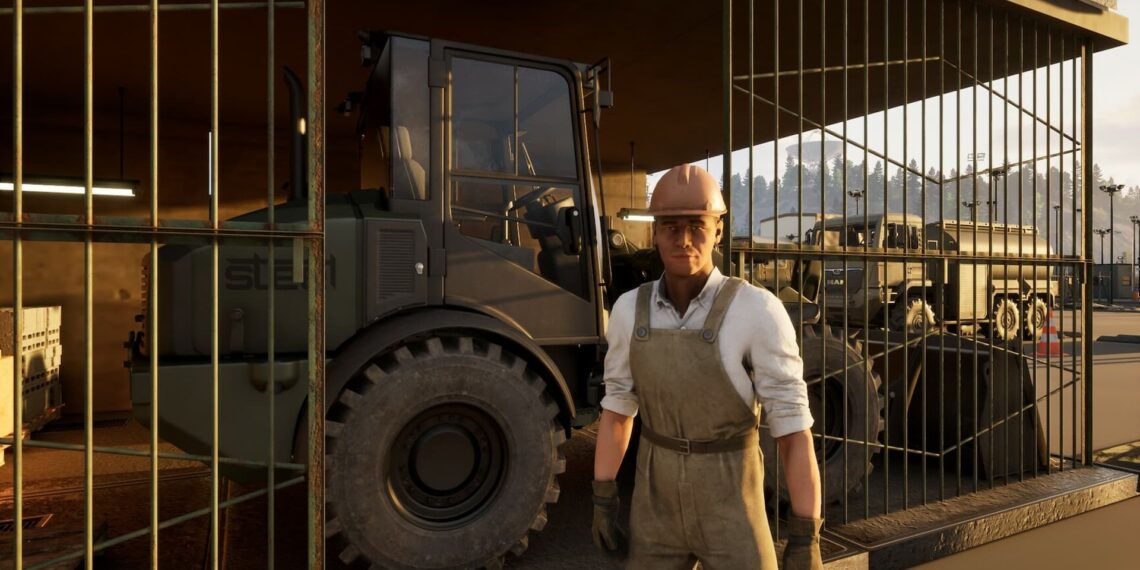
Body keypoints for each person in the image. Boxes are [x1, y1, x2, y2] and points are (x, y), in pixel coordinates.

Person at [590, 164, 823, 569]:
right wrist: (603, 496)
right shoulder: (630, 311)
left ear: (718, 230)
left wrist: (806, 535)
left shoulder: (756, 311)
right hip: (654, 506)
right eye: (670, 227)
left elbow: (792, 429)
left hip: (733, 505)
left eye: (697, 226)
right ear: (655, 232)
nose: (683, 240)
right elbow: (617, 411)